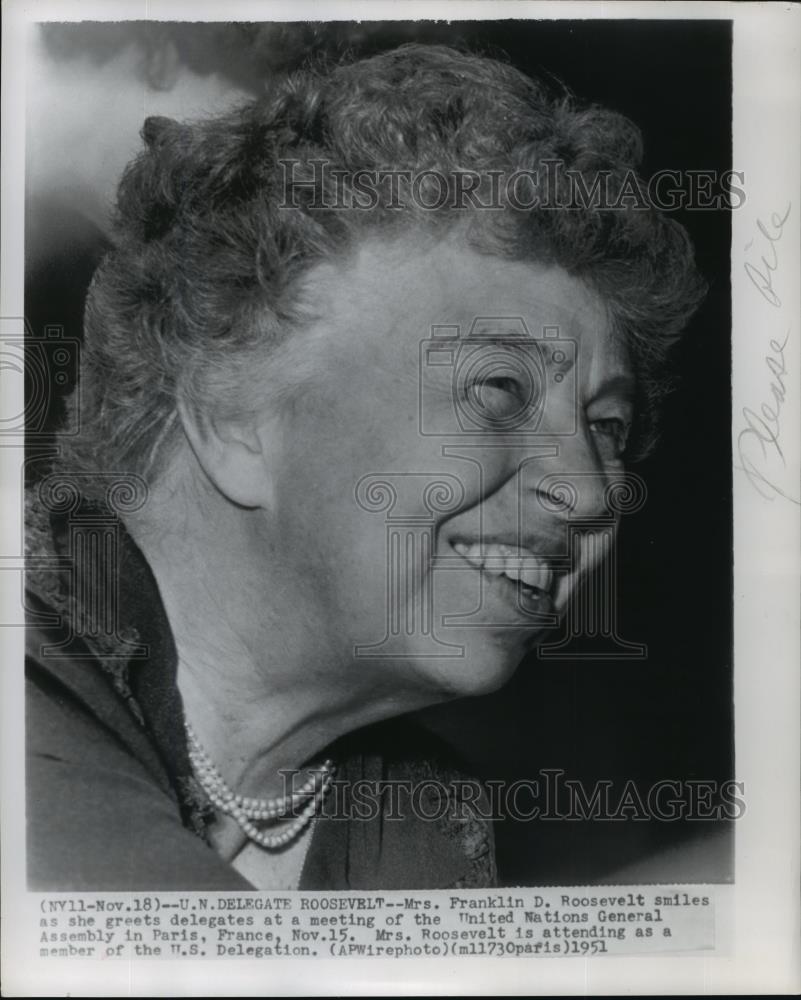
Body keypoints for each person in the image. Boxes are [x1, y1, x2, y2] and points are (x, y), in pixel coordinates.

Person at [25, 43, 705, 891]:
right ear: (233, 412)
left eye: (606, 426)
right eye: (498, 388)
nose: (588, 489)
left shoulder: (422, 820)